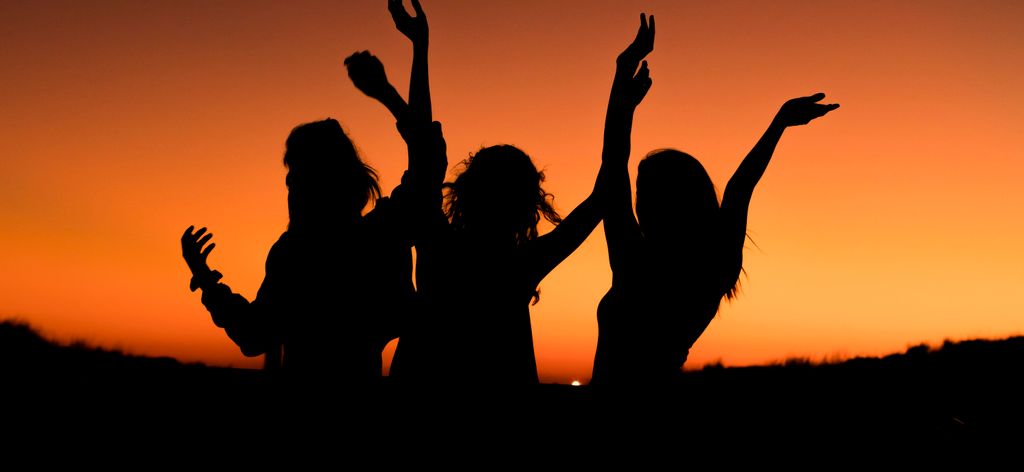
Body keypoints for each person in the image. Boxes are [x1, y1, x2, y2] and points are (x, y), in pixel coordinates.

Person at [180, 0, 440, 388]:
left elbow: (253, 335)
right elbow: (427, 161)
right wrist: (410, 60)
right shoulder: (374, 238)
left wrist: (205, 280)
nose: (289, 185)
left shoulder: (297, 253)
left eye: (297, 174)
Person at [386, 14, 656, 387]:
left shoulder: (439, 245)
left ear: (466, 192)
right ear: (529, 205)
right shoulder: (520, 264)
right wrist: (622, 95)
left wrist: (420, 46)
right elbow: (606, 188)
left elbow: (422, 146)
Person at [592, 39, 839, 386]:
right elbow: (740, 188)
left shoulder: (635, 258)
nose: (638, 202)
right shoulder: (713, 263)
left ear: (672, 199)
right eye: (638, 191)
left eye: (645, 192)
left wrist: (622, 89)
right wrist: (778, 123)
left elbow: (614, 163)